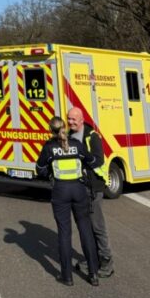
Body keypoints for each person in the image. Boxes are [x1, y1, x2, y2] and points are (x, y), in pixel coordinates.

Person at [36, 116, 108, 286]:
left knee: (64, 233)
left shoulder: (49, 147)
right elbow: (92, 161)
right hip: (79, 190)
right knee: (85, 231)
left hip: (60, 191)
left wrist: (50, 174)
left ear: (50, 130)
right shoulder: (76, 145)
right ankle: (93, 274)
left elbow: (40, 169)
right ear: (64, 127)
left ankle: (67, 276)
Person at [67, 107, 115, 278]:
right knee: (85, 227)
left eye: (73, 119)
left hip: (94, 187)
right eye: (68, 119)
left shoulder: (92, 136)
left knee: (97, 226)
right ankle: (91, 258)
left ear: (81, 120)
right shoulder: (68, 136)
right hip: (78, 188)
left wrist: (80, 156)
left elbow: (98, 159)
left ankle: (106, 262)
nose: (70, 122)